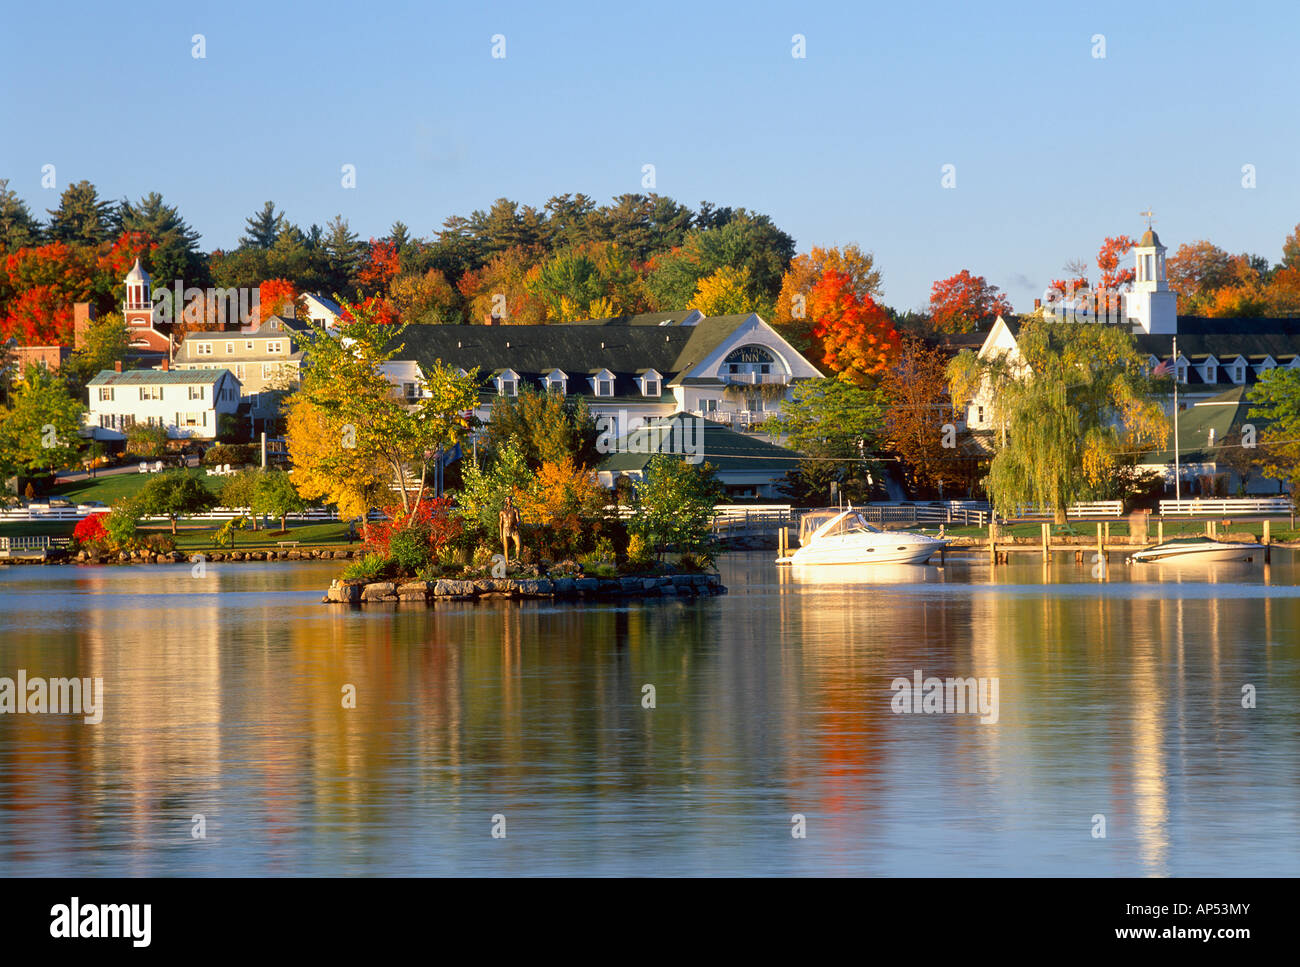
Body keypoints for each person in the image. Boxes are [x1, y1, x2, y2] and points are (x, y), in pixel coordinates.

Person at [499, 495, 522, 563]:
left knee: (518, 544)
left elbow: (519, 520)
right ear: (506, 501)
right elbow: (500, 523)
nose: (511, 501)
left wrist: (517, 525)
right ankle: (507, 562)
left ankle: (517, 558)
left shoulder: (515, 510)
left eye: (511, 500)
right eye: (509, 500)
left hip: (513, 529)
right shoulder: (502, 512)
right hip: (505, 530)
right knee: (505, 547)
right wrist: (500, 535)